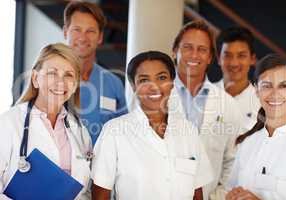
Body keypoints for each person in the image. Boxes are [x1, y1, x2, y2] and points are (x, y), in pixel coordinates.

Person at [91, 51, 214, 200]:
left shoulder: (189, 131)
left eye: (162, 78)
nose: (154, 87)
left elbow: (197, 193)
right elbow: (100, 195)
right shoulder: (114, 131)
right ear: (133, 86)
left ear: (172, 83)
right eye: (144, 80)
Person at [0, 43, 92, 199]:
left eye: (68, 75)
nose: (60, 82)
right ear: (35, 78)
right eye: (52, 73)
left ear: (75, 85)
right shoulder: (8, 124)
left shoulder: (80, 131)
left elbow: (84, 192)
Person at [172, 20, 246, 200]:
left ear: (211, 57)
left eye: (202, 49)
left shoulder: (227, 105)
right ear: (175, 51)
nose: (194, 55)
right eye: (187, 47)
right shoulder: (154, 98)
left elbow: (232, 161)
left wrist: (217, 197)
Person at [226, 54, 286, 200]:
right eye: (266, 86)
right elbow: (230, 189)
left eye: (283, 86)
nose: (275, 94)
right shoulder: (247, 143)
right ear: (256, 90)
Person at [63, 1, 127, 145]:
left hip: (102, 165)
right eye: (77, 29)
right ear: (65, 32)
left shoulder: (113, 83)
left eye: (90, 31)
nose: (83, 37)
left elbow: (123, 134)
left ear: (100, 37)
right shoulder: (50, 80)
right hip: (58, 165)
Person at [215, 26, 260, 128]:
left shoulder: (262, 102)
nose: (234, 63)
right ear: (218, 59)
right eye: (228, 55)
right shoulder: (205, 96)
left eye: (241, 56)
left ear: (252, 59)